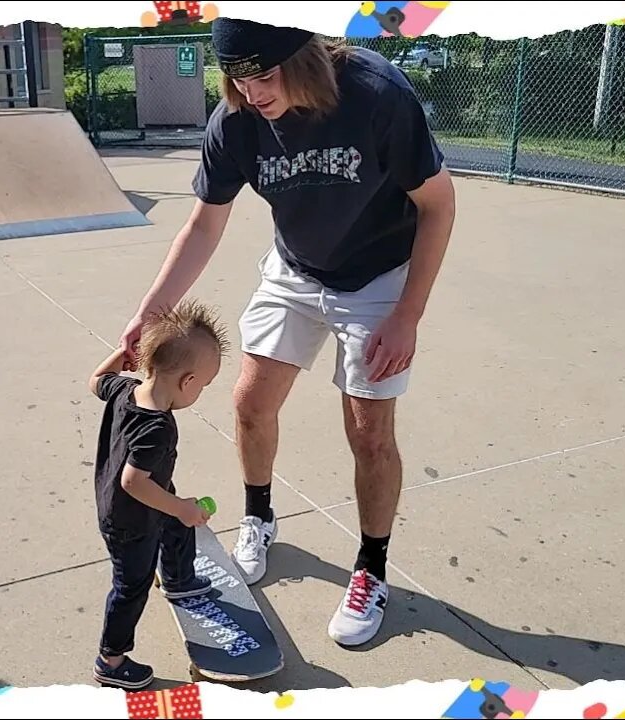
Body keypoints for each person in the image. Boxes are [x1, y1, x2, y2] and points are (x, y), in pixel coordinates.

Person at [118, 18, 457, 647]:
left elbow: (439, 203)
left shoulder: (377, 94)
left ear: (305, 57)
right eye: (237, 78)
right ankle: (259, 518)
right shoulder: (237, 120)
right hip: (295, 271)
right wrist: (149, 310)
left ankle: (372, 568)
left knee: (369, 432)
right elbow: (203, 226)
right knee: (249, 402)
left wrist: (406, 315)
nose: (251, 92)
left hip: (380, 275)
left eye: (265, 75)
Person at [88, 299, 229, 690]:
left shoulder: (124, 388)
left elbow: (95, 379)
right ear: (187, 382)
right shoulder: (156, 429)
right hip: (130, 519)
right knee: (131, 586)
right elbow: (133, 482)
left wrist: (122, 353)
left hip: (143, 497)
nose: (201, 391)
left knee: (177, 519)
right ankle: (110, 660)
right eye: (204, 384)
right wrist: (181, 508)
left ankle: (179, 578)